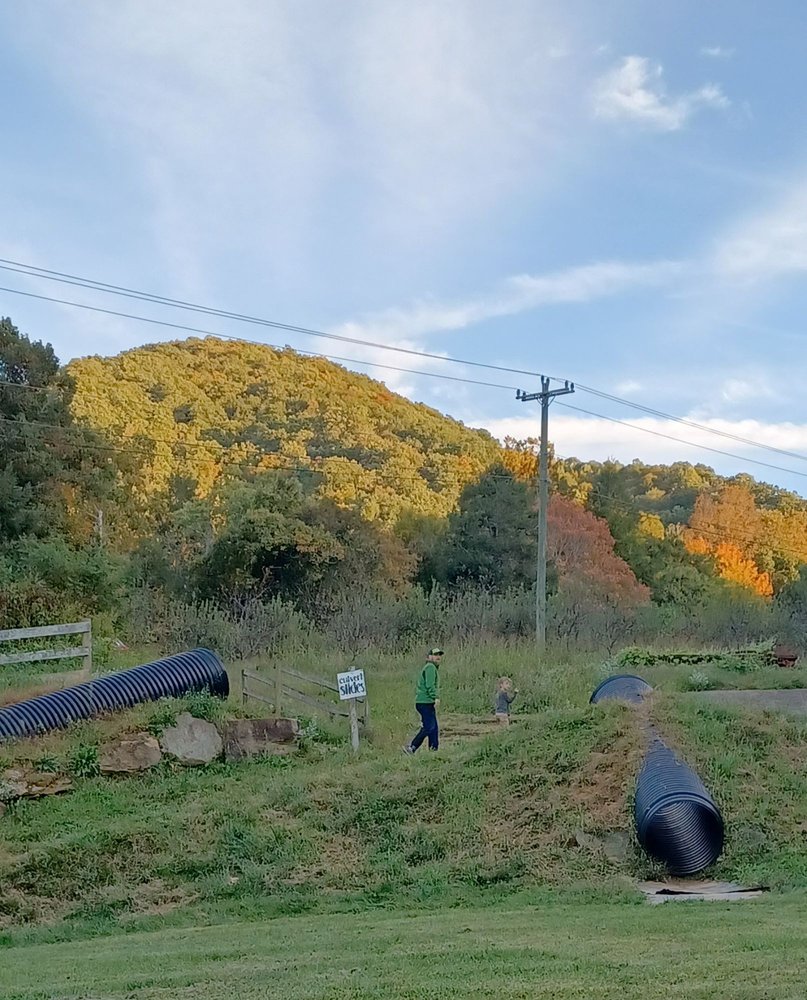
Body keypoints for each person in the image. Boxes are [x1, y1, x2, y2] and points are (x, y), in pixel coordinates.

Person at [404, 647, 443, 753]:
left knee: (434, 728)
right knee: (429, 726)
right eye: (435, 655)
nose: (438, 657)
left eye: (439, 655)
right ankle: (412, 747)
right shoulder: (430, 667)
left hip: (426, 702)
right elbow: (430, 685)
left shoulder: (431, 667)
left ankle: (433, 750)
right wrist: (435, 697)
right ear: (429, 657)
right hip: (424, 702)